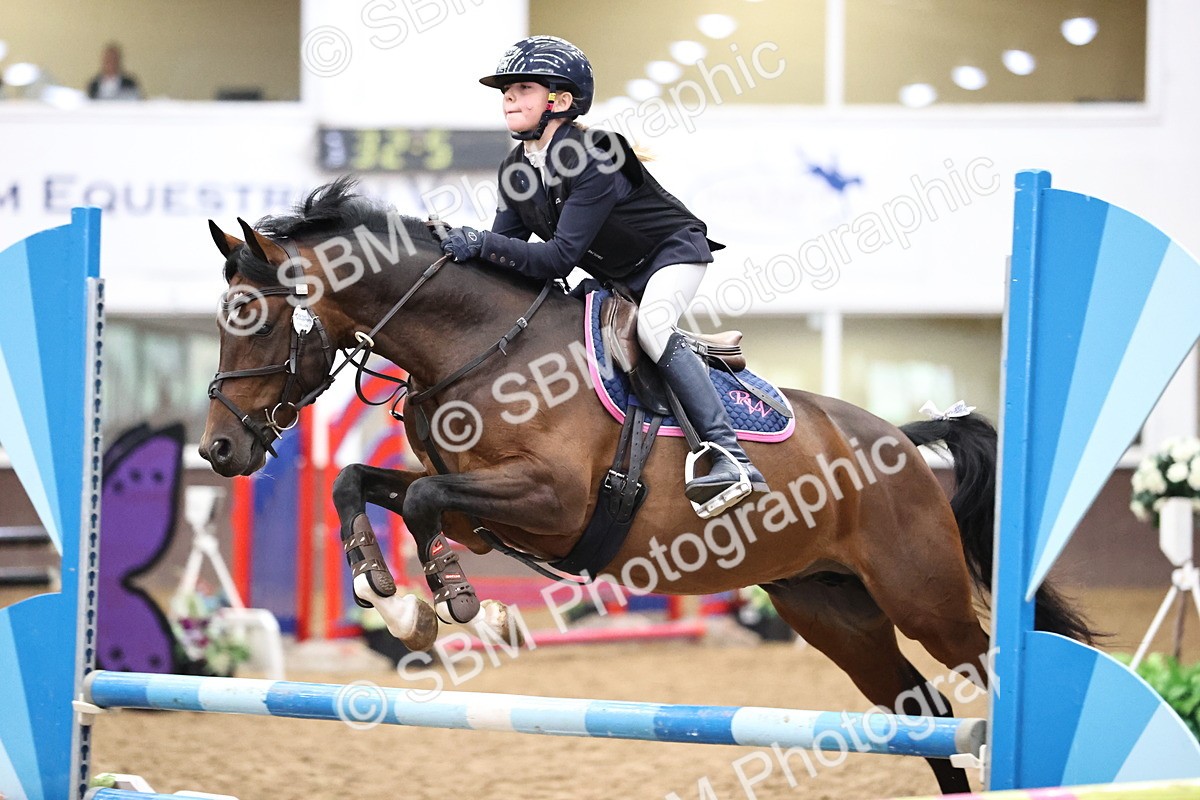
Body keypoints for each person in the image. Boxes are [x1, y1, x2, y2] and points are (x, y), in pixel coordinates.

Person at [440, 35, 767, 511]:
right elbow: (505, 254)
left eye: (523, 87)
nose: (508, 96)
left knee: (654, 328)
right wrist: (460, 258)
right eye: (505, 90)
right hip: (616, 276)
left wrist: (482, 243)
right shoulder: (517, 166)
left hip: (671, 253)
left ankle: (729, 455)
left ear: (562, 101)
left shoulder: (594, 152)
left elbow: (556, 259)